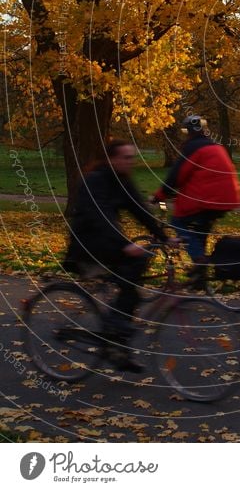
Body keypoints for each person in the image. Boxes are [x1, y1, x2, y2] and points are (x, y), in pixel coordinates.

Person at [64, 139, 168, 372]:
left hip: (108, 241)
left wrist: (164, 237)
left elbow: (140, 210)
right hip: (88, 243)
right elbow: (99, 217)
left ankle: (118, 347)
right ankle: (114, 325)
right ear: (111, 159)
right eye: (126, 157)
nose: (131, 162)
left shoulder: (122, 181)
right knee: (133, 269)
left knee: (132, 288)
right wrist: (124, 245)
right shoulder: (95, 180)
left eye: (133, 158)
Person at [152, 115, 240, 287]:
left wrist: (159, 196)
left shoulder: (193, 147)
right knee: (200, 235)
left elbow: (177, 176)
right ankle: (200, 280)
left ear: (188, 132)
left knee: (177, 222)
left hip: (209, 199)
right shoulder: (216, 146)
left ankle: (200, 263)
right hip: (226, 198)